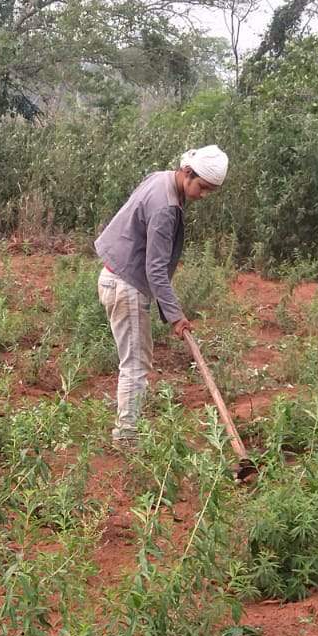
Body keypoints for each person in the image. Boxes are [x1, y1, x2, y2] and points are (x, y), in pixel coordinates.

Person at [94, 145, 228, 448]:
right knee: (135, 364)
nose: (204, 195)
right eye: (203, 187)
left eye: (211, 190)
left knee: (134, 361)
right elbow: (155, 269)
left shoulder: (161, 178)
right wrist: (176, 316)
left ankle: (127, 432)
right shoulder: (166, 206)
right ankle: (127, 437)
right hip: (125, 283)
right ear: (188, 172)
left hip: (117, 278)